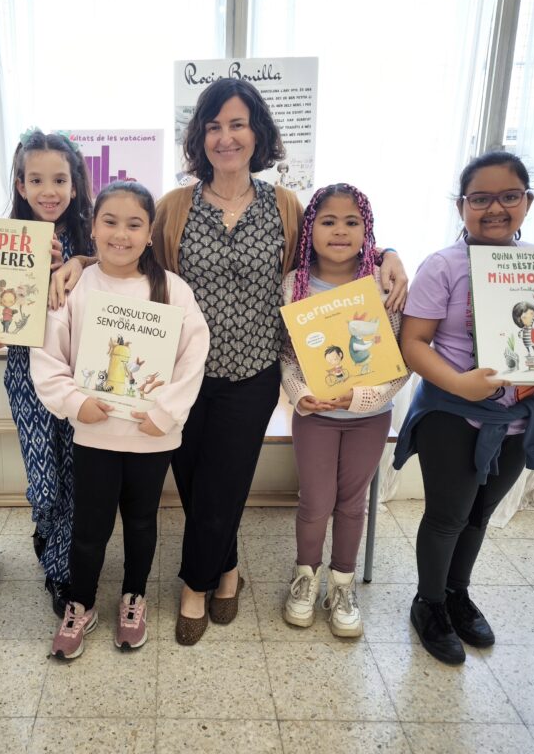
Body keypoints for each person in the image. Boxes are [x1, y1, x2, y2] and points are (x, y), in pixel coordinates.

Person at [54, 78, 409, 645]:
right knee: (199, 488)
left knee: (225, 484)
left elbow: (334, 245)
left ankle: (194, 586)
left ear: (257, 133)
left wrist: (388, 253)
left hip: (252, 374)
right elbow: (124, 252)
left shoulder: (285, 206)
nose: (226, 137)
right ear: (200, 137)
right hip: (177, 376)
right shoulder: (175, 206)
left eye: (238, 124)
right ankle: (229, 569)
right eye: (214, 126)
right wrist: (76, 261)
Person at [394, 151, 534, 664]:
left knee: (479, 514)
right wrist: (460, 383)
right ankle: (429, 603)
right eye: (480, 199)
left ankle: (457, 593)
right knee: (447, 516)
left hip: (518, 418)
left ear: (528, 202)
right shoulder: (443, 266)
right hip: (452, 414)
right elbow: (413, 343)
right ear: (461, 206)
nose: (495, 209)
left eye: (509, 196)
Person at [31, 181, 210, 659]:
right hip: (95, 433)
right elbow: (47, 356)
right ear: (92, 228)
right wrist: (74, 403)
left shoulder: (172, 289)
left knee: (141, 522)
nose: (121, 234)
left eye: (134, 224)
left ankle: (134, 597)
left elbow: (194, 356)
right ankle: (81, 603)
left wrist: (165, 413)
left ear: (150, 233)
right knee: (89, 527)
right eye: (110, 222)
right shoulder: (75, 286)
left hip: (152, 437)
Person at [280, 184, 408, 637]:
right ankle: (305, 577)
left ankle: (342, 584)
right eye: (328, 221)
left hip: (369, 419)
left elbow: (400, 360)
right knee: (315, 502)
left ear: (366, 228)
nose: (339, 231)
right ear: (309, 229)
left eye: (351, 222)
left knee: (352, 505)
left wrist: (363, 398)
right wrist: (300, 394)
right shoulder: (293, 284)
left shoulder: (383, 284)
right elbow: (287, 355)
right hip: (315, 417)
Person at [5, 129, 94, 615]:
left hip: (79, 375)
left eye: (59, 179)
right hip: (26, 375)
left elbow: (124, 265)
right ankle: (46, 528)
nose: (49, 190)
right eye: (36, 180)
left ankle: (62, 572)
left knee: (76, 474)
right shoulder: (4, 239)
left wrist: (79, 260)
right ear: (21, 185)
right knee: (44, 479)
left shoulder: (91, 235)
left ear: (75, 184)